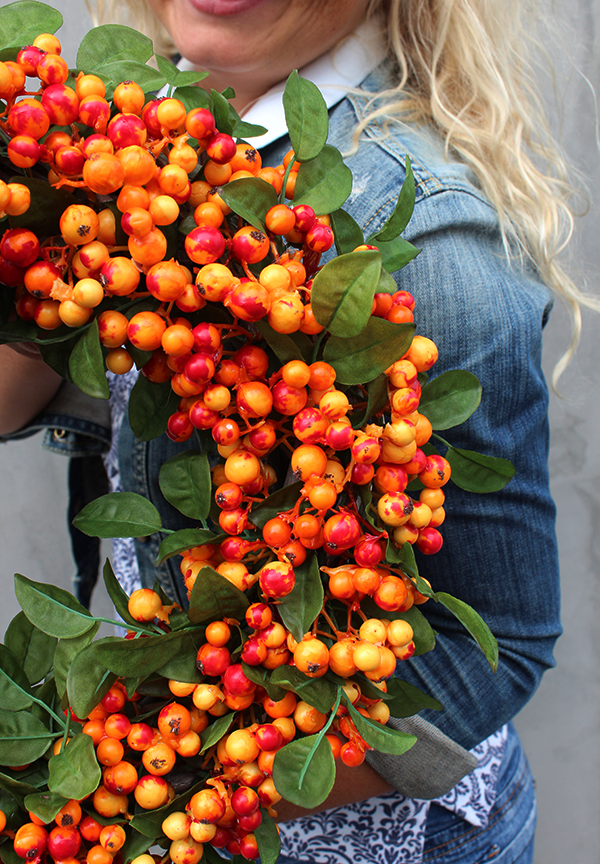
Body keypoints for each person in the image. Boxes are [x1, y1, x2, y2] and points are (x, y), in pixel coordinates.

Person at [1, 0, 593, 860]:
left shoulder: (431, 247)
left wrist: (144, 810)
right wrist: (31, 247)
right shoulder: (139, 133)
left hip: (348, 830)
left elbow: (498, 649)